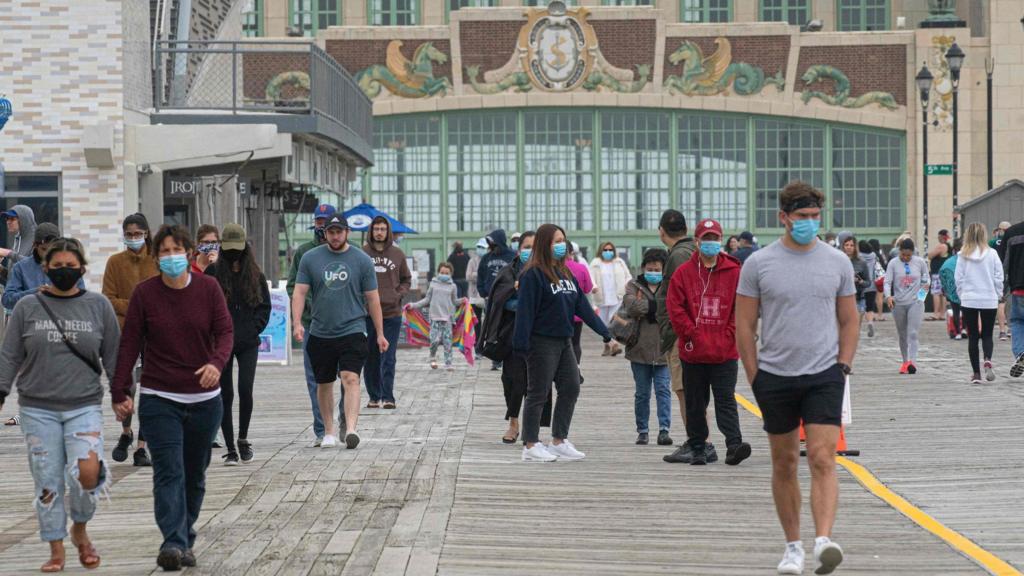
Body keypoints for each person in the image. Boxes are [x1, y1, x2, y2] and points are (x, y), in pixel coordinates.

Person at [735, 181, 857, 576]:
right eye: (801, 217)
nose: (808, 223)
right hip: (775, 375)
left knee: (823, 457)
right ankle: (793, 547)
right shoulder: (759, 263)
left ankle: (824, 540)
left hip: (824, 373)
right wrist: (755, 375)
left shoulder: (836, 261)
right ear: (783, 218)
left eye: (814, 217)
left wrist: (844, 365)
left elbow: (849, 318)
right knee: (784, 461)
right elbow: (744, 323)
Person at [110, 225, 233, 571]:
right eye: (163, 252)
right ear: (155, 257)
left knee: (194, 474)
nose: (170, 257)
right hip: (159, 396)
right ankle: (173, 542)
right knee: (169, 471)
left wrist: (216, 362)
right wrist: (119, 390)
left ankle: (185, 537)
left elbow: (224, 332)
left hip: (205, 401)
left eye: (176, 250)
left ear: (190, 253)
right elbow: (130, 342)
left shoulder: (208, 289)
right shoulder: (145, 294)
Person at [0, 237, 119, 573]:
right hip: (37, 408)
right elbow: (10, 355)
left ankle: (79, 529)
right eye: (57, 266)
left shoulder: (98, 306)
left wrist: (123, 395)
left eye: (71, 266)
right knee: (48, 480)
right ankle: (56, 548)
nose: (64, 271)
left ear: (82, 268)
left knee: (87, 472)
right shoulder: (27, 307)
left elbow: (113, 355)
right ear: (45, 269)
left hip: (84, 404)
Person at [515, 224, 613, 462]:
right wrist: (521, 346)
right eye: (556, 240)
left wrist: (605, 333)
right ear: (544, 244)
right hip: (540, 342)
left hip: (564, 340)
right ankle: (530, 444)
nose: (561, 245)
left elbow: (583, 308)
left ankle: (559, 440)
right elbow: (525, 312)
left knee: (571, 387)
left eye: (563, 240)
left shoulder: (566, 273)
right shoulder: (533, 274)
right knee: (538, 392)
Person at [292, 215, 387, 449]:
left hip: (353, 328)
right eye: (331, 232)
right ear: (325, 234)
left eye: (339, 232)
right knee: (324, 383)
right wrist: (297, 322)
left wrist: (380, 332)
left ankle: (352, 428)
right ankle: (329, 431)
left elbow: (373, 299)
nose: (335, 236)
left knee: (351, 378)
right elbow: (300, 292)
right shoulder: (310, 258)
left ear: (347, 232)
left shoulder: (362, 260)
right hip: (321, 331)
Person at [667, 218, 751, 466]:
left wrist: (729, 334)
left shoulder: (734, 271)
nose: (711, 243)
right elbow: (675, 308)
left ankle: (734, 445)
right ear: (697, 241)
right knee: (695, 402)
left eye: (715, 238)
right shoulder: (684, 273)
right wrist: (691, 334)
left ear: (721, 240)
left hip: (724, 351)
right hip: (694, 351)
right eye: (706, 238)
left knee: (726, 399)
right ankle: (698, 447)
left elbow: (742, 307)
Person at [207, 224, 271, 464]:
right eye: (229, 249)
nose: (234, 254)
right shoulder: (213, 274)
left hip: (247, 341)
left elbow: (264, 307)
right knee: (225, 393)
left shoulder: (255, 275)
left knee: (245, 388)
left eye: (237, 249)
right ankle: (230, 446)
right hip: (220, 342)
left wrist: (253, 328)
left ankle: (243, 438)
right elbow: (205, 305)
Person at [479, 232, 549, 444]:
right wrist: (522, 299)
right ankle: (513, 422)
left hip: (541, 336)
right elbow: (500, 301)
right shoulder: (508, 272)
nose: (530, 251)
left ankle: (532, 427)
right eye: (526, 246)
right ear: (519, 249)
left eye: (534, 247)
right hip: (512, 336)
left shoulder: (547, 272)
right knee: (513, 380)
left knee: (538, 382)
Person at [102, 213, 159, 466]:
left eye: (138, 234)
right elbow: (108, 298)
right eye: (129, 234)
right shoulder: (115, 262)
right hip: (125, 332)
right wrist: (138, 306)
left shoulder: (157, 261)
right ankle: (126, 433)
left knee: (150, 387)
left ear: (146, 233)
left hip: (155, 333)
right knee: (127, 385)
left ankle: (142, 447)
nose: (133, 238)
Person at [287, 203, 337, 447]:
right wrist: (306, 308)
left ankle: (346, 421)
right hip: (311, 325)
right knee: (314, 378)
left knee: (347, 376)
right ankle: (321, 428)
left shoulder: (348, 252)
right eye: (319, 221)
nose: (322, 225)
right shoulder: (304, 253)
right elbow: (292, 286)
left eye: (326, 221)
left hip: (342, 326)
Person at [656, 209, 697, 463]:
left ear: (662, 231)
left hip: (682, 333)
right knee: (691, 391)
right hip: (691, 331)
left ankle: (698, 442)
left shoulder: (679, 255)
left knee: (684, 390)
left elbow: (683, 296)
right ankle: (699, 439)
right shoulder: (693, 249)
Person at [624, 248, 672, 447]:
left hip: (663, 349)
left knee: (663, 390)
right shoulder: (633, 285)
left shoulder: (669, 285)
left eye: (658, 269)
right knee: (642, 393)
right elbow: (631, 306)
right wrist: (657, 307)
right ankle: (642, 430)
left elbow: (672, 305)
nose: (653, 272)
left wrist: (647, 307)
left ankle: (664, 429)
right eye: (650, 269)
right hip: (639, 349)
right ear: (643, 268)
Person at [362, 216, 411, 409]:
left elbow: (406, 279)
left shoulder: (398, 254)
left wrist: (397, 294)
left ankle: (388, 396)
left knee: (388, 356)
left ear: (388, 231)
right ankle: (374, 396)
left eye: (383, 229)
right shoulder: (363, 253)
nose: (379, 232)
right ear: (371, 231)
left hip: (391, 313)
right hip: (367, 314)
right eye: (376, 229)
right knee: (370, 356)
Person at [955, 223, 1004, 384]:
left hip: (969, 298)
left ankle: (976, 374)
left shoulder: (963, 254)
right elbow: (999, 276)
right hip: (988, 298)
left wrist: (962, 294)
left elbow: (958, 278)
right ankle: (988, 359)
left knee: (973, 336)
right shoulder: (992, 254)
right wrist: (998, 293)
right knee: (988, 334)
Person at [2, 223, 85, 312]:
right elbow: (7, 300)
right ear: (34, 245)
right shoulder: (20, 268)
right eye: (44, 249)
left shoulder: (68, 266)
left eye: (52, 250)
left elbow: (82, 300)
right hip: (31, 322)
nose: (48, 254)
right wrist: (35, 293)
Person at [885, 238, 929, 375]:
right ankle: (905, 361)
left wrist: (921, 297)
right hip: (898, 303)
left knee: (913, 333)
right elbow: (887, 282)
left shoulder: (920, 262)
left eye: (908, 255)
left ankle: (912, 362)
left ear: (913, 253)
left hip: (915, 302)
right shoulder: (893, 263)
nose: (905, 257)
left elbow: (927, 280)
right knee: (902, 334)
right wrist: (888, 296)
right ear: (899, 252)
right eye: (903, 254)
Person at [407, 262, 461, 370]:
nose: (444, 274)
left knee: (447, 342)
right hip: (435, 318)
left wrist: (463, 301)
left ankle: (448, 363)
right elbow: (427, 299)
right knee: (434, 341)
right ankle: (432, 357)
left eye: (447, 273)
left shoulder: (453, 286)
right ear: (438, 272)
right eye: (442, 272)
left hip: (447, 319)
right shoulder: (433, 284)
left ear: (450, 274)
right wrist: (413, 305)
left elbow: (455, 301)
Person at [589, 241, 632, 338]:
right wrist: (593, 286)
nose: (608, 252)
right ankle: (609, 345)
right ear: (601, 251)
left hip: (617, 296)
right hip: (601, 297)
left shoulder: (619, 262)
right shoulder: (595, 263)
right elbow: (590, 277)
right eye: (605, 250)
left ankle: (613, 343)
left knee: (613, 319)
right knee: (603, 323)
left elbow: (628, 276)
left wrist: (627, 284)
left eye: (610, 250)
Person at [565, 241, 596, 365]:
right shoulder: (581, 268)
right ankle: (576, 368)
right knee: (576, 342)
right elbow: (588, 288)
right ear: (572, 253)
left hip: (559, 314)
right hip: (577, 313)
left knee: (561, 343)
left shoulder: (552, 269)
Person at [1000, 220, 1024, 377]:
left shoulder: (1012, 232)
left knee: (1016, 322)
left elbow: (1004, 264)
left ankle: (1021, 353)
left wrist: (1003, 289)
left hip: (1018, 289)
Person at [0, 205, 37, 288]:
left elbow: (35, 266)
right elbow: (14, 277)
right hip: (16, 297)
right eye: (7, 218)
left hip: (30, 297)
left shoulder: (37, 239)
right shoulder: (18, 238)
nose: (8, 222)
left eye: (12, 219)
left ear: (24, 220)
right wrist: (1, 269)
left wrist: (8, 253)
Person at [841, 235, 870, 329]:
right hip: (842, 299)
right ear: (843, 246)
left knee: (855, 329)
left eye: (851, 245)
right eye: (846, 245)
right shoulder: (837, 261)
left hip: (858, 299)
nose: (849, 247)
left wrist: (860, 281)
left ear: (855, 247)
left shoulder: (861, 263)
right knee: (844, 328)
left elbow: (868, 282)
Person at [940, 238, 964, 341]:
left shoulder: (948, 262)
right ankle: (964, 329)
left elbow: (942, 273)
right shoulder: (968, 261)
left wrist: (945, 289)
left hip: (952, 290)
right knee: (966, 310)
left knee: (956, 311)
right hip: (965, 290)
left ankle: (958, 332)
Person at [992, 222, 1011, 341]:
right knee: (1011, 301)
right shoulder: (1013, 239)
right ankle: (1011, 329)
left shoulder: (993, 242)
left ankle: (1002, 331)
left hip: (998, 273)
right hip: (1011, 272)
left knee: (1000, 302)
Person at [927, 230, 951, 321]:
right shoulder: (948, 246)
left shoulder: (942, 246)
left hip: (938, 273)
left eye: (938, 236)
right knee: (942, 294)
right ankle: (942, 313)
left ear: (941, 236)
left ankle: (936, 313)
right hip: (944, 273)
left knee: (936, 293)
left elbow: (930, 255)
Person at [858, 240, 879, 337]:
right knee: (870, 308)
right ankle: (870, 322)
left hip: (861, 285)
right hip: (872, 286)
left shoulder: (858, 257)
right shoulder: (874, 256)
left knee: (861, 308)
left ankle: (857, 328)